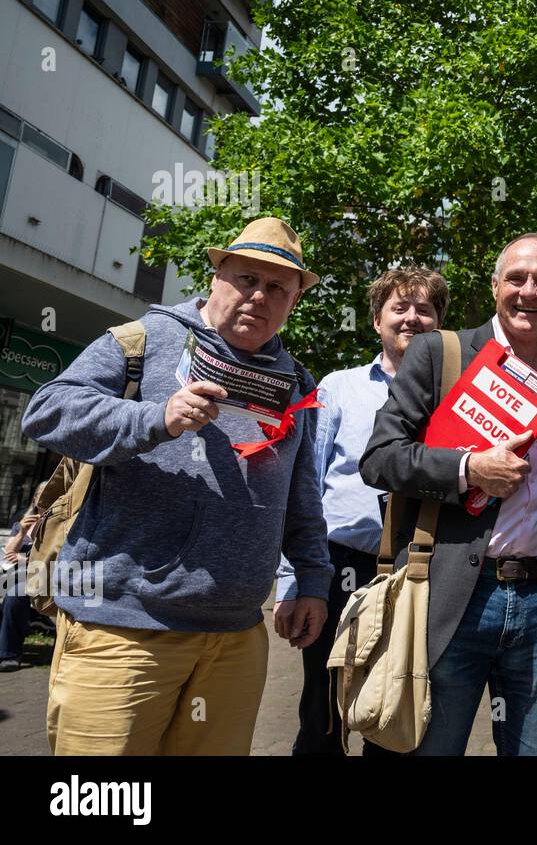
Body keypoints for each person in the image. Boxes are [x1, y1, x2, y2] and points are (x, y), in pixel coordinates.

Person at [21, 217, 332, 755]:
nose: (259, 295)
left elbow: (299, 498)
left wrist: (311, 579)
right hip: (122, 632)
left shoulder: (296, 383)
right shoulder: (141, 340)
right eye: (246, 278)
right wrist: (153, 418)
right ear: (216, 277)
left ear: (294, 301)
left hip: (235, 639)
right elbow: (45, 413)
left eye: (278, 287)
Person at [360, 233, 537, 756]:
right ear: (496, 287)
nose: (529, 291)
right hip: (451, 595)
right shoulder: (439, 353)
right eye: (516, 278)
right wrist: (470, 468)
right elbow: (380, 459)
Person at [274, 266, 448, 755]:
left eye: (425, 310)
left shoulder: (452, 400)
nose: (412, 318)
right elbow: (303, 486)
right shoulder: (338, 388)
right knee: (322, 714)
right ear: (377, 320)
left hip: (415, 574)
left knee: (392, 709)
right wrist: (292, 583)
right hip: (336, 566)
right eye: (400, 307)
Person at [0, 492, 42, 672]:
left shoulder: (58, 523)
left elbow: (55, 559)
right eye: (39, 495)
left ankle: (9, 654)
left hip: (41, 575)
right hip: (12, 574)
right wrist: (22, 532)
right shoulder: (21, 523)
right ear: (34, 499)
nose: (42, 499)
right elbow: (7, 554)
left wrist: (25, 559)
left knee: (15, 595)